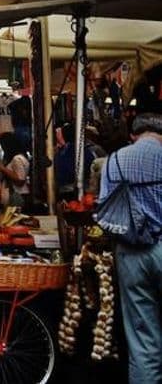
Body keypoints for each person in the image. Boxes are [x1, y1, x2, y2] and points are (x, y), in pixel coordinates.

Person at [96, 113, 162, 383]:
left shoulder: (113, 161)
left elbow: (102, 208)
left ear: (133, 135)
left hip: (130, 254)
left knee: (143, 339)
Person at [0, 133, 29, 205]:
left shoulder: (17, 159)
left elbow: (20, 179)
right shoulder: (17, 158)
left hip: (18, 194)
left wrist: (3, 169)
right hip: (16, 193)